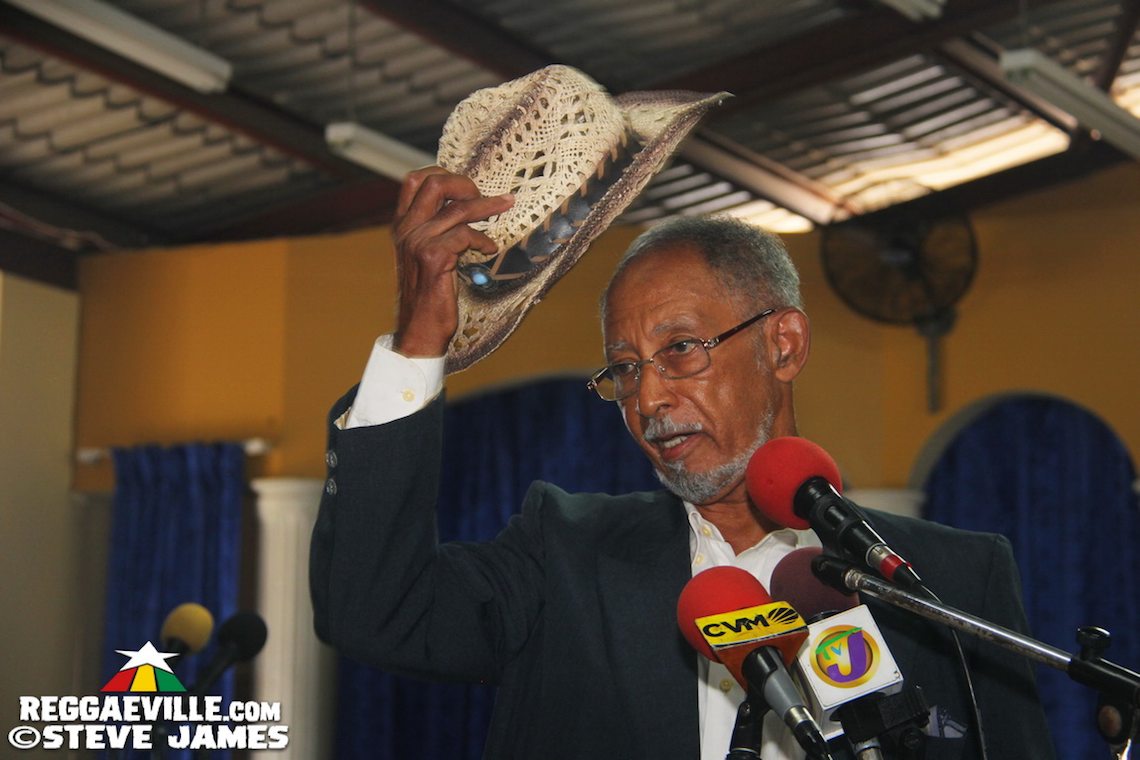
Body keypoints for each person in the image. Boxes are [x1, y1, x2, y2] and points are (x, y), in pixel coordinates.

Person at [310, 167, 1056, 759]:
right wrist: (416, 343)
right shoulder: (563, 554)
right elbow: (374, 613)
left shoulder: (947, 582)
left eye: (679, 350)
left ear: (784, 344)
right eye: (624, 369)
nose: (648, 399)